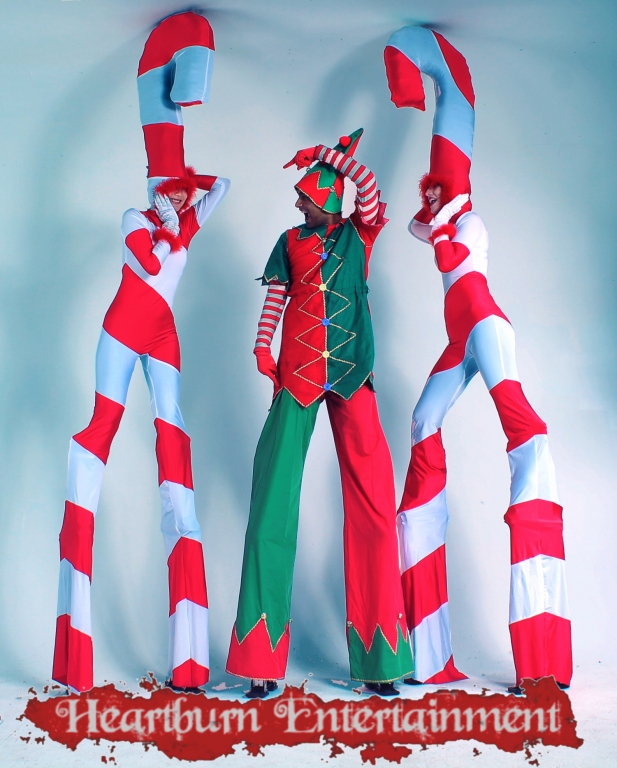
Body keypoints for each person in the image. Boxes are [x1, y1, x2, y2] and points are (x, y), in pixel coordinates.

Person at [225, 129, 413, 699]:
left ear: (327, 198)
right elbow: (275, 299)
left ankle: (381, 658)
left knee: (374, 505)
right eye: (301, 197)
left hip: (353, 375)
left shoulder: (361, 233)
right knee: (272, 499)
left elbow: (369, 186)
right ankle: (260, 659)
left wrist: (325, 156)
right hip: (298, 375)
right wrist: (262, 348)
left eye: (306, 197)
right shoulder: (289, 241)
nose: (299, 204)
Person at [52, 167, 230, 694]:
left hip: (162, 334)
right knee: (99, 432)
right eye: (168, 186)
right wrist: (167, 218)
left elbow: (223, 188)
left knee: (174, 442)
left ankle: (190, 662)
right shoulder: (136, 219)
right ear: (152, 188)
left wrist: (193, 180)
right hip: (122, 331)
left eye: (182, 187)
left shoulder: (185, 219)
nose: (179, 195)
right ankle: (74, 656)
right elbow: (149, 263)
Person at [398, 176, 572, 692]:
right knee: (423, 421)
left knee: (521, 425)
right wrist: (436, 212)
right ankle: (429, 652)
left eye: (438, 190)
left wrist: (448, 214)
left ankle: (542, 659)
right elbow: (414, 228)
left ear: (456, 193)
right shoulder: (441, 221)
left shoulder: (470, 224)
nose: (430, 199)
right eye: (427, 191)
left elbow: (448, 259)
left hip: (486, 325)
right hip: (460, 337)